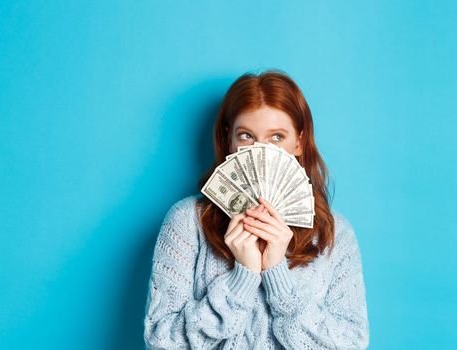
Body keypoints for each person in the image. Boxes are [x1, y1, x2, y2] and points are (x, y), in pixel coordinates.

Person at [143, 69, 369, 349]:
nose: (261, 152)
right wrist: (243, 277)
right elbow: (161, 341)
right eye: (247, 136)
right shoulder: (187, 222)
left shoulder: (335, 234)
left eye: (277, 137)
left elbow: (351, 344)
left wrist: (278, 274)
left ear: (299, 141)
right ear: (229, 140)